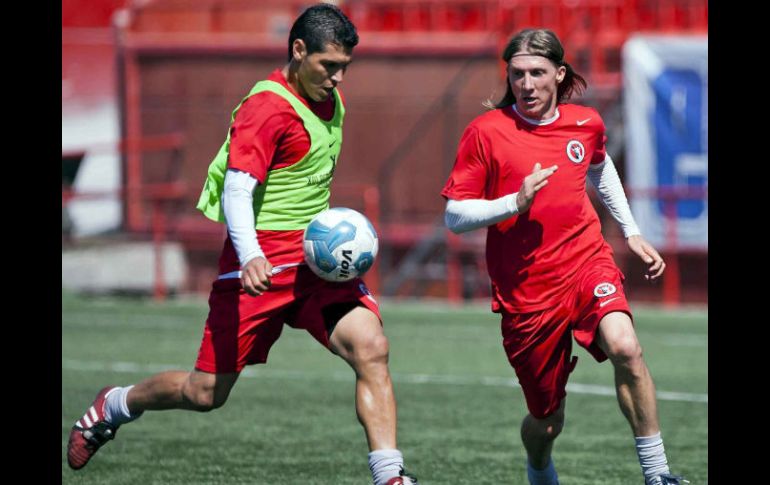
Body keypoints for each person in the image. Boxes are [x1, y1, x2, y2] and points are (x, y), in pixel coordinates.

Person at [67, 5, 418, 484]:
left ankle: (390, 476)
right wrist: (251, 253)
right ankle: (115, 404)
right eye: (328, 66)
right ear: (299, 50)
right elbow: (237, 188)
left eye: (344, 68)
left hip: (315, 266)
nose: (337, 78)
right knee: (205, 393)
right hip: (258, 267)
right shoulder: (267, 108)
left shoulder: (330, 100)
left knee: (371, 347)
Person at [441, 28, 687, 485]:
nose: (527, 84)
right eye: (517, 74)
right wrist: (513, 203)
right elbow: (454, 215)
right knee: (547, 421)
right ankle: (539, 467)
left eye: (537, 73)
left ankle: (658, 475)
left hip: (585, 261)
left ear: (559, 74)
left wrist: (631, 231)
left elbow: (599, 164)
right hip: (527, 292)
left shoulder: (585, 122)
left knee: (626, 348)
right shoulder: (485, 133)